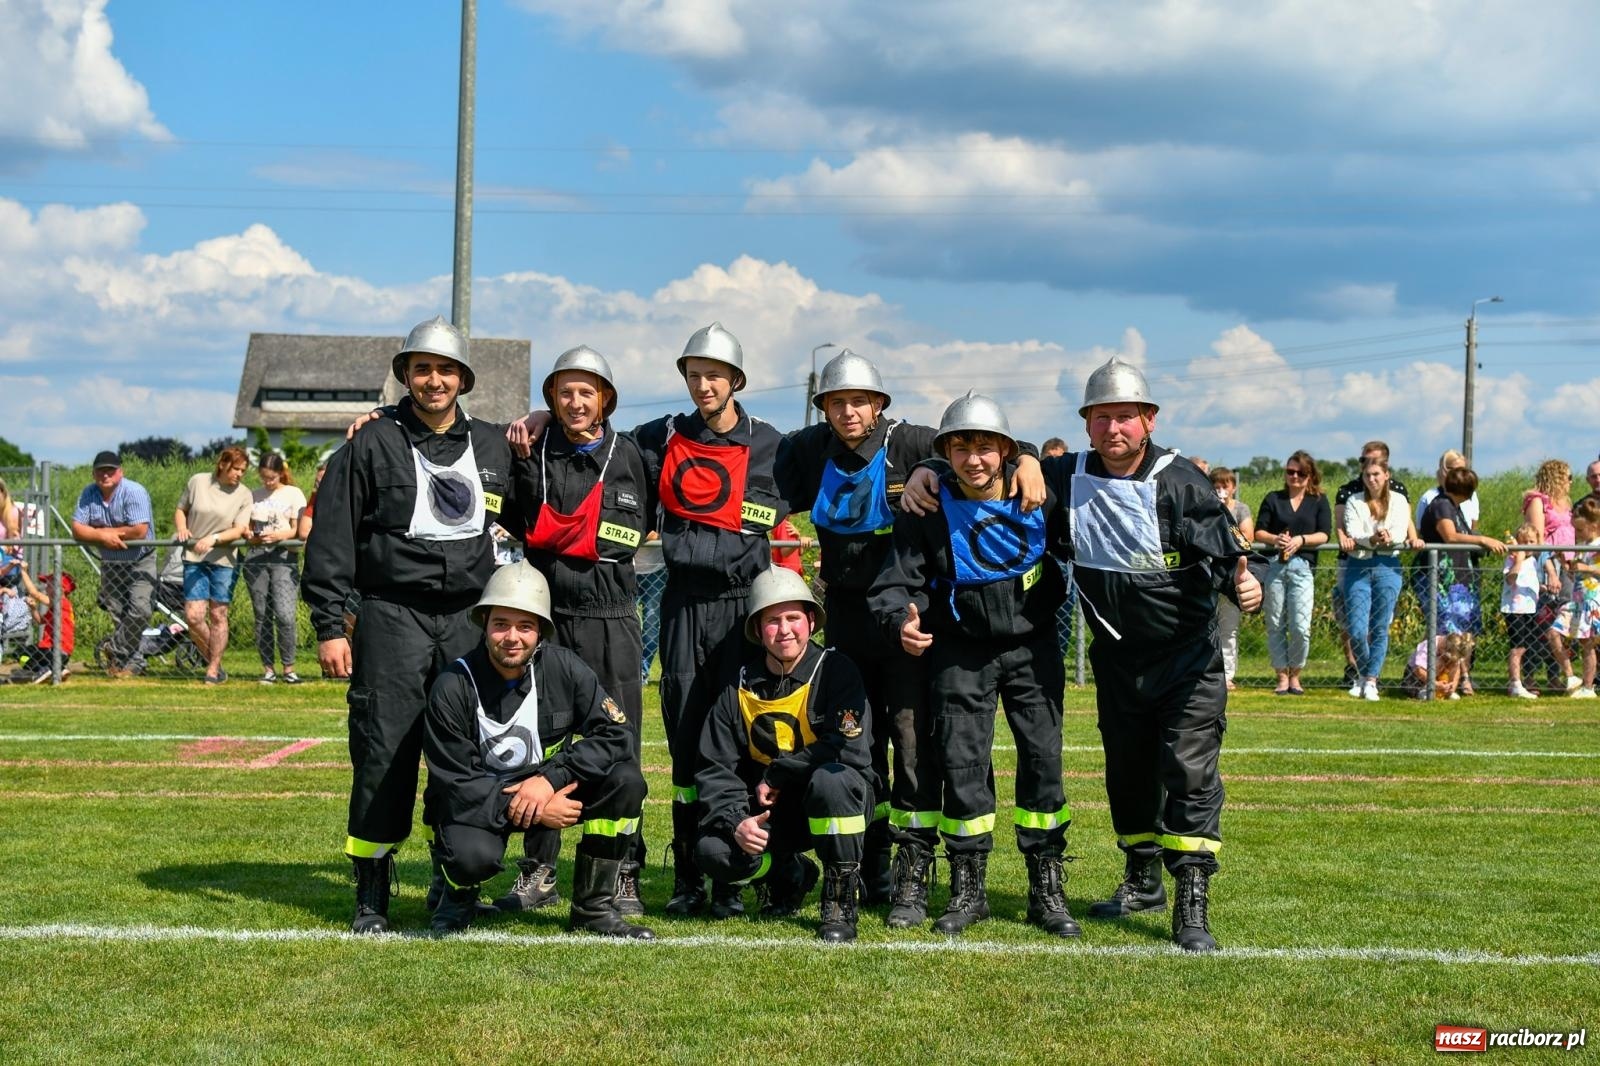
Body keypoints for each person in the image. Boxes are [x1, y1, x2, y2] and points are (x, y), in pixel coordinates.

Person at [509, 323, 793, 919]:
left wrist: (1024, 456)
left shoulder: (775, 443)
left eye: (714, 374)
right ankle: (688, 874)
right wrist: (541, 413)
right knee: (688, 742)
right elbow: (591, 431)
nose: (703, 385)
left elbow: (859, 454)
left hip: (746, 605)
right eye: (693, 374)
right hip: (683, 605)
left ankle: (747, 872)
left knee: (751, 738)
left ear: (737, 379)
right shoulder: (659, 437)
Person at [777, 349, 1046, 913]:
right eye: (835, 402)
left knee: (916, 746)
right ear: (822, 407)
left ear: (879, 404)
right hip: (848, 619)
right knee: (856, 745)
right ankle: (865, 867)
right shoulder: (806, 448)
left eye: (859, 401)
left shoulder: (912, 440)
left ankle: (911, 872)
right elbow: (754, 467)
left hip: (911, 621)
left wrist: (1027, 458)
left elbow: (978, 446)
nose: (848, 412)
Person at [1025, 356, 1259, 953]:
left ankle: (1191, 899)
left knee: (1189, 772)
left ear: (1149, 420)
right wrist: (1020, 459)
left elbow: (1221, 553)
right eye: (1101, 418)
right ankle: (1142, 879)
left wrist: (1243, 585)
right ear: (1085, 425)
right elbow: (989, 458)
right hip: (1116, 663)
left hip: (1187, 662)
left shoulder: (1182, 480)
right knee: (1127, 777)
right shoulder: (1067, 474)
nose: (1113, 430)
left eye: (1125, 417)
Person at [303, 316, 524, 934]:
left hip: (466, 622)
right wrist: (330, 625)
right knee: (384, 751)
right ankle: (371, 893)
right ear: (405, 375)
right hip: (390, 618)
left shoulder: (492, 445)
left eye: (445, 369)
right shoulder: (369, 444)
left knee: (466, 753)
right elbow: (331, 542)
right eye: (422, 368)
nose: (434, 380)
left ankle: (451, 881)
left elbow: (534, 513)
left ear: (463, 379)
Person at [870, 392, 1076, 938]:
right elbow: (897, 581)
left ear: (1006, 450)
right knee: (962, 766)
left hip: (1033, 648)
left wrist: (1031, 458)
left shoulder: (1041, 491)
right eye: (960, 448)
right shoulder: (926, 507)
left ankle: (1046, 890)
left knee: (1042, 762)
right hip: (959, 650)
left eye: (986, 447)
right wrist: (900, 623)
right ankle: (968, 889)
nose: (974, 459)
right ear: (945, 454)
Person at [421, 561, 653, 938]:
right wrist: (537, 808)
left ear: (541, 632)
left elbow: (616, 734)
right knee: (472, 856)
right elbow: (454, 782)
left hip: (547, 787)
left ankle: (593, 908)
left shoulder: (565, 668)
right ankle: (455, 897)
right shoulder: (452, 685)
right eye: (501, 624)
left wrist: (551, 779)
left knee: (625, 781)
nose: (512, 637)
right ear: (484, 625)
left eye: (525, 626)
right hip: (482, 800)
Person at [507, 344, 654, 916]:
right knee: (540, 738)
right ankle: (538, 869)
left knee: (621, 744)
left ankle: (620, 871)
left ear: (606, 400)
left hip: (612, 620)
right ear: (550, 398)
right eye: (563, 392)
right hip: (547, 622)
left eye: (585, 391)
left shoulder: (634, 455)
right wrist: (379, 414)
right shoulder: (528, 446)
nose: (574, 401)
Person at [695, 567, 876, 942]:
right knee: (711, 852)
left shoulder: (838, 671)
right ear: (759, 630)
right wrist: (736, 823)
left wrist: (778, 773)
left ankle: (840, 899)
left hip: (830, 801)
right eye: (773, 621)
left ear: (811, 621)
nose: (785, 630)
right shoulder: (738, 685)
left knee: (833, 779)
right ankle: (786, 873)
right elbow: (715, 767)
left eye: (794, 617)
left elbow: (847, 749)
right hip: (769, 814)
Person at [1416, 466, 1506, 694]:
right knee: (1447, 633)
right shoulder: (1442, 505)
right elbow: (1450, 536)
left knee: (1461, 633)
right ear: (1469, 492)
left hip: (1459, 583)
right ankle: (1438, 682)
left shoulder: (1454, 508)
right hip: (1442, 583)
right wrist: (1483, 539)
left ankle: (1455, 681)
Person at [1339, 458, 1423, 700]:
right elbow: (1353, 531)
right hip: (1358, 564)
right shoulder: (1354, 500)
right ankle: (1364, 674)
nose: (1372, 479)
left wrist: (1388, 538)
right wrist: (1372, 538)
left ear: (1386, 475)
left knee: (1379, 627)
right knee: (1356, 628)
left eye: (1376, 474)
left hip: (1388, 565)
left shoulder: (1398, 500)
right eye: (1367, 475)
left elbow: (1400, 529)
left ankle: (1371, 680)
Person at [70, 451, 156, 678]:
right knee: (118, 614)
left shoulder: (134, 491)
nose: (105, 474)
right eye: (101, 470)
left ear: (121, 471)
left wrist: (102, 533)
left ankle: (114, 649)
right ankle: (130, 665)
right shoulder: (88, 493)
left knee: (141, 610)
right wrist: (104, 537)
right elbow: (78, 529)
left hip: (140, 560)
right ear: (93, 473)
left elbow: (140, 530)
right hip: (110, 562)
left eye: (111, 470)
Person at [174, 447, 253, 685]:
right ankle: (213, 657)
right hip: (194, 558)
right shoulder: (198, 482)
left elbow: (239, 528)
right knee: (193, 615)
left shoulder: (244, 494)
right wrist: (182, 527)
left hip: (224, 560)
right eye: (236, 469)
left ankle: (213, 668)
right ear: (223, 465)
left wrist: (214, 539)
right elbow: (181, 509)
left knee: (219, 614)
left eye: (243, 470)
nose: (239, 474)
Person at [1253, 450, 1330, 695]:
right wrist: (1276, 538)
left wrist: (1301, 540)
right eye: (1290, 472)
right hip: (1275, 564)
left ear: (1310, 475)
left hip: (1303, 566)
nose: (1294, 477)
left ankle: (1296, 673)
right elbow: (1259, 532)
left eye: (1300, 473)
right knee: (1275, 622)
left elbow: (1325, 534)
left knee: (1300, 625)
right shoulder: (1273, 498)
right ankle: (1281, 676)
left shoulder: (1318, 501)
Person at [244, 452, 308, 684]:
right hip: (256, 556)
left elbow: (298, 528)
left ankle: (289, 667)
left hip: (283, 556)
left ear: (280, 473)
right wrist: (251, 535)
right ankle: (268, 668)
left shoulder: (293, 494)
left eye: (271, 477)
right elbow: (246, 526)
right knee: (262, 615)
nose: (267, 482)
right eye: (264, 478)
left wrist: (278, 536)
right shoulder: (253, 495)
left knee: (285, 614)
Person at [1209, 466, 1255, 690]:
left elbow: (1248, 536)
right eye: (1216, 486)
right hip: (1207, 574)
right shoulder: (1207, 507)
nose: (1221, 490)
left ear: (1233, 487)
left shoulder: (1241, 509)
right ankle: (1206, 671)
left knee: (1229, 627)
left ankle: (1227, 674)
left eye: (1224, 485)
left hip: (1231, 574)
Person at [1550, 498, 1600, 698]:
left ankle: (1588, 687)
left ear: (1594, 526)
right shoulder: (1584, 546)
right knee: (1554, 633)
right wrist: (1567, 566)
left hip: (1592, 600)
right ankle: (1571, 676)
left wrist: (1587, 568)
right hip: (1577, 600)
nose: (1577, 535)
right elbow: (1577, 575)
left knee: (1587, 645)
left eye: (1580, 530)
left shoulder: (1597, 545)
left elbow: (1594, 569)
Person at [1502, 523, 1555, 699]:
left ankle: (1520, 681)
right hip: (1515, 609)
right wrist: (1518, 560)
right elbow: (1511, 579)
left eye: (1532, 541)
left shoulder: (1533, 561)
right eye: (1524, 542)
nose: (1528, 545)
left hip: (1530, 608)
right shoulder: (1512, 559)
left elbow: (1528, 582)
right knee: (1517, 647)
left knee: (1526, 646)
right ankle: (1515, 683)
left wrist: (1542, 588)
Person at [10, 569, 75, 683]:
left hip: (53, 649)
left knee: (20, 653)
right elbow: (40, 621)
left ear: (61, 589)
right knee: (31, 651)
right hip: (62, 652)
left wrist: (23, 571)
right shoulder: (58, 608)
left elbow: (35, 593)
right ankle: (58, 669)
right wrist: (33, 608)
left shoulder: (61, 602)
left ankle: (43, 670)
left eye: (49, 585)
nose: (46, 588)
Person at [1401, 632, 1474, 700]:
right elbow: (1418, 670)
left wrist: (1451, 687)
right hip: (1416, 678)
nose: (1448, 660)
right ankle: (1423, 690)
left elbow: (1457, 670)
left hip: (1439, 679)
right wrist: (1435, 683)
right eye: (1448, 657)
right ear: (1444, 648)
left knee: (1453, 664)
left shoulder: (1455, 647)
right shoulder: (1429, 645)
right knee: (1439, 662)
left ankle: (1446, 691)